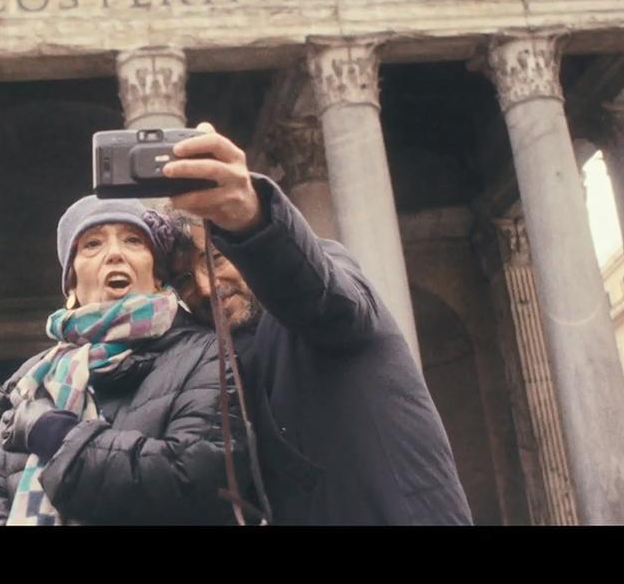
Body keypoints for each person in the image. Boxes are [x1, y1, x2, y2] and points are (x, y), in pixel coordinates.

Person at [162, 122, 472, 525]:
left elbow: (324, 298)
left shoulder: (321, 282)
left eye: (216, 258)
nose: (204, 288)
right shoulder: (223, 357)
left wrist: (251, 218)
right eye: (183, 280)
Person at [0, 195, 247, 525]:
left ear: (156, 275)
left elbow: (192, 482)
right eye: (93, 244)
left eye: (133, 240)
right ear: (71, 283)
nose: (114, 253)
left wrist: (60, 439)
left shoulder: (205, 353)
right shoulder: (31, 379)